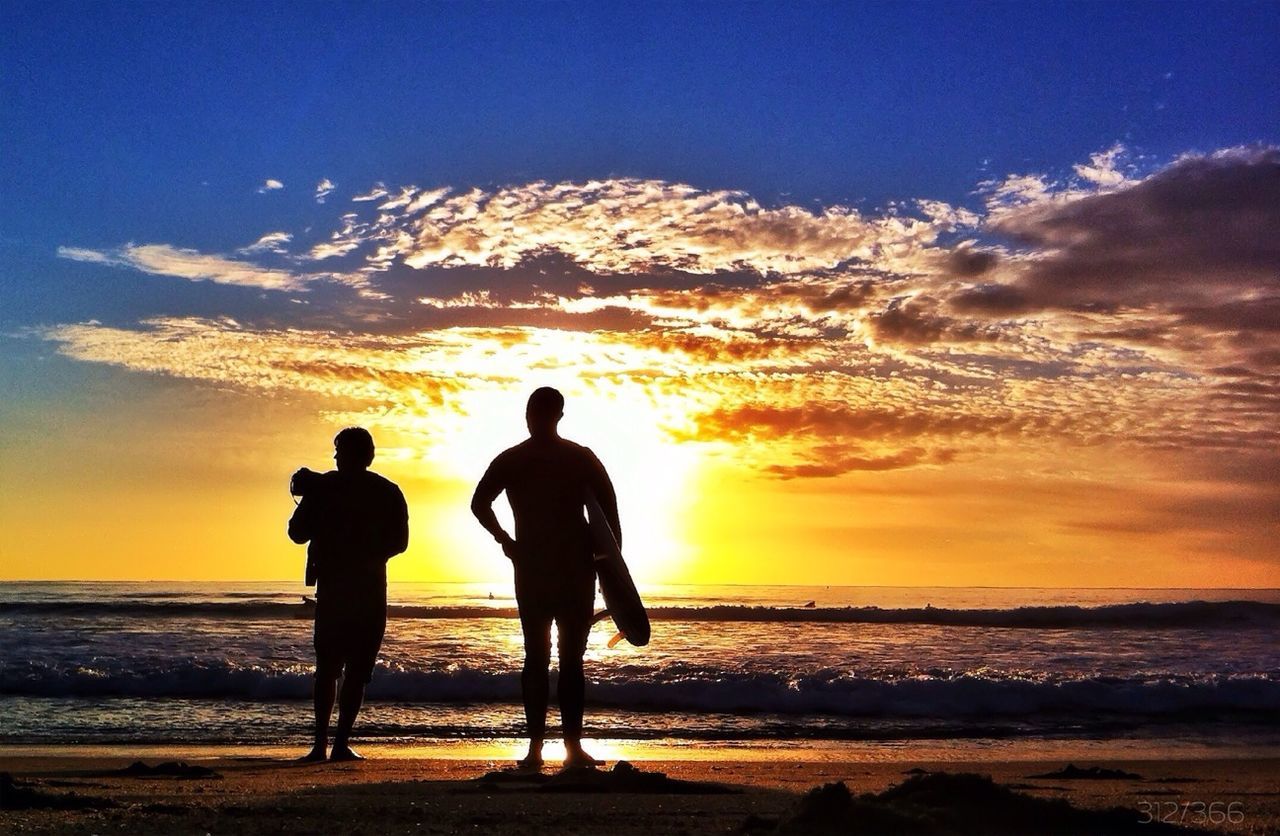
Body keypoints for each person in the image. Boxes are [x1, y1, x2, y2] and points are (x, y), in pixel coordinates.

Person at [471, 387, 620, 770]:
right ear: (560, 415)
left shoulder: (516, 459)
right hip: (571, 569)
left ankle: (541, 750)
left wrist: (507, 541)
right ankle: (565, 749)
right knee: (566, 659)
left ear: (535, 415)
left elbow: (479, 503)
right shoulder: (579, 458)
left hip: (539, 568)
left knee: (541, 657)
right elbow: (610, 519)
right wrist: (610, 572)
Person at [288, 427, 408, 762]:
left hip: (337, 589)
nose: (336, 457)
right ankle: (339, 744)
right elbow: (400, 542)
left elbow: (296, 533)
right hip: (369, 590)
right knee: (356, 670)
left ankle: (321, 746)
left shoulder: (324, 488)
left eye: (339, 451)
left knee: (328, 668)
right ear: (369, 456)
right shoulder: (387, 491)